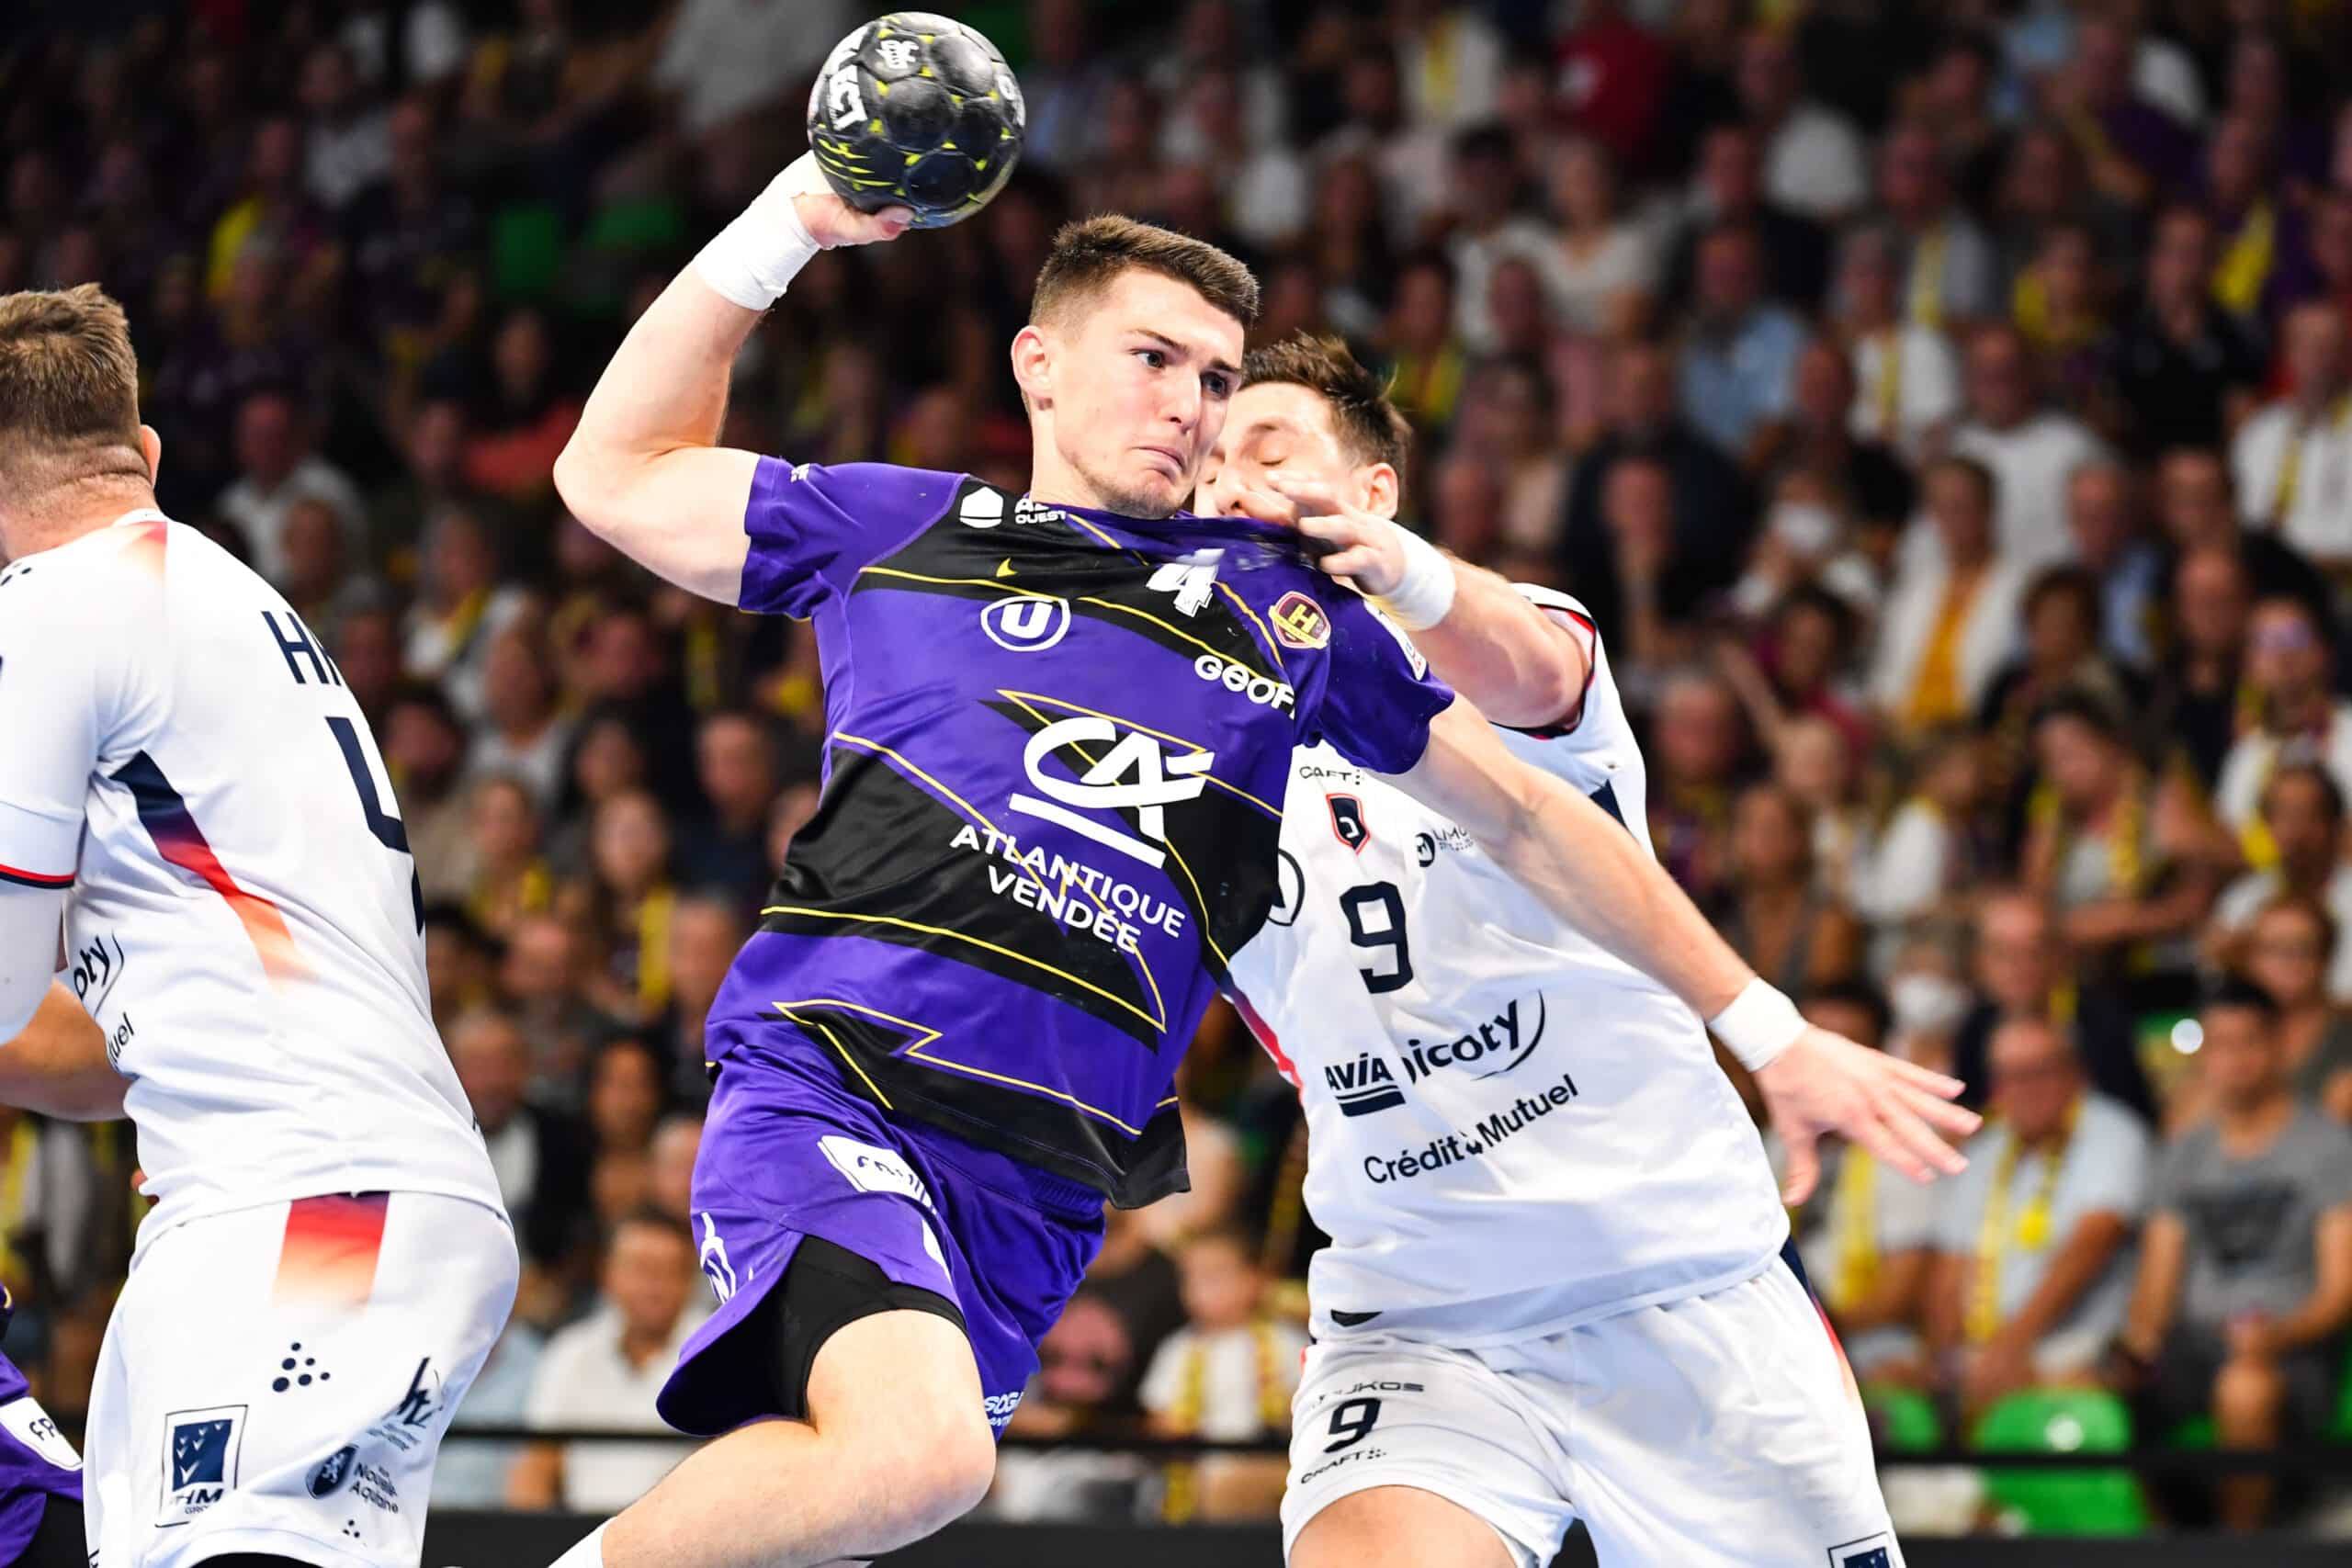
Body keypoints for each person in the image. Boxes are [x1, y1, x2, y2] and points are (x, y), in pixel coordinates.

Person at [537, 157, 1973, 1568]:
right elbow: (615, 473)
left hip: (1122, 1199)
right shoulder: (918, 532)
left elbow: (1536, 777)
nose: (1200, 420)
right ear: (1039, 366)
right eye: (1158, 364)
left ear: (1376, 489)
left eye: (1224, 389)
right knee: (911, 1457)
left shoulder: (1332, 636)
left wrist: (1769, 1028)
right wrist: (788, 220)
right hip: (890, 1101)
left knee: (863, 1495)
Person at [1198, 334, 1971, 1566]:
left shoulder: (1500, 646)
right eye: (1208, 465)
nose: (1230, 481)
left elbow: (1533, 666)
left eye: (1269, 449)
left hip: (1682, 1286)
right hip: (1423, 1322)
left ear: (1373, 489)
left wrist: (1398, 571)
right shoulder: (1185, 754)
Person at [0, 285, 514, 1568]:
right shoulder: (226, 604)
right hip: (320, 1192)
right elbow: (102, 1051)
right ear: (143, 450)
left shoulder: (52, 606)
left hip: (304, 1199)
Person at [2115, 980, 2352, 1529]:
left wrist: (2276, 1336)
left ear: (2277, 1046)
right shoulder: (2183, 1152)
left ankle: (2236, 1550)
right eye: (2220, 1045)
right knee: (2096, 1387)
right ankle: (2152, 1545)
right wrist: (2132, 1350)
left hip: (2293, 1354)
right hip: (2193, 1350)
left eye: (2249, 1042)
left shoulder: (2329, 1147)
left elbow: (2340, 1291)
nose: (2235, 1060)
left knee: (2244, 1387)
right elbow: (2156, 1284)